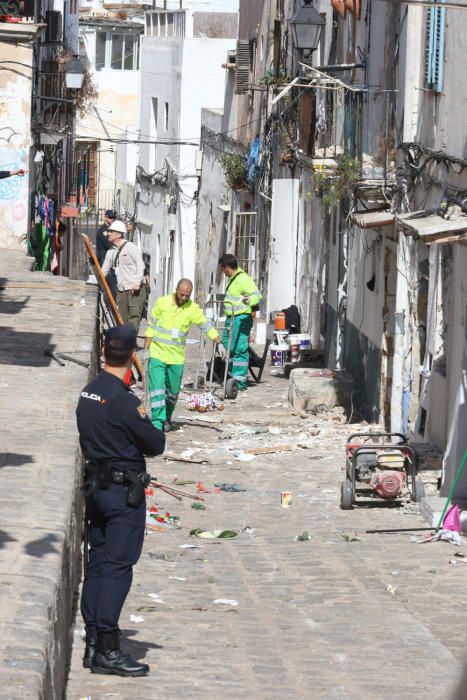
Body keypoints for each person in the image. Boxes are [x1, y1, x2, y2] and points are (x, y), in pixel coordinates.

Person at [76, 324, 165, 677]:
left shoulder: (89, 392)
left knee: (98, 563)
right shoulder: (125, 402)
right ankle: (109, 649)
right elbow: (156, 444)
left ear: (103, 351)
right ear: (132, 356)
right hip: (120, 495)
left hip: (95, 489)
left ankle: (93, 643)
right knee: (117, 567)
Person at [144, 278, 227, 432]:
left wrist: (218, 342)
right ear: (176, 289)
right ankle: (157, 422)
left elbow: (206, 325)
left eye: (187, 296)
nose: (183, 298)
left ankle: (167, 417)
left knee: (173, 392)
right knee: (157, 390)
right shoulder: (162, 303)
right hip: (157, 353)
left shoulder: (192, 309)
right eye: (181, 294)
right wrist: (146, 350)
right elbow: (151, 326)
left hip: (176, 358)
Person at [218, 253, 262, 391]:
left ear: (227, 268)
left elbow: (257, 295)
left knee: (239, 349)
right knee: (227, 347)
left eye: (222, 269)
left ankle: (239, 382)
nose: (222, 272)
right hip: (231, 318)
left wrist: (249, 300)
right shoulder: (233, 278)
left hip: (240, 318)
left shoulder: (243, 279)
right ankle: (230, 376)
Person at [101, 220, 146, 333]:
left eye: (111, 231)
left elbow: (140, 265)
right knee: (121, 318)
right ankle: (125, 341)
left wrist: (137, 282)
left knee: (134, 317)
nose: (108, 233)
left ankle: (130, 344)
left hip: (134, 289)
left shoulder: (130, 247)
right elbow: (103, 272)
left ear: (119, 234)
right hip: (121, 290)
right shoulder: (110, 252)